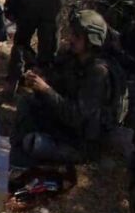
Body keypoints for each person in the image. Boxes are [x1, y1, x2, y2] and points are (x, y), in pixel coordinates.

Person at [11, 10, 122, 166]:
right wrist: (40, 77)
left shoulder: (98, 73)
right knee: (27, 103)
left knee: (34, 143)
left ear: (91, 41)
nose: (71, 39)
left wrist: (46, 90)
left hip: (78, 141)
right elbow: (58, 81)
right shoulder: (72, 57)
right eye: (72, 34)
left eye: (77, 37)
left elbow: (75, 117)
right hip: (63, 126)